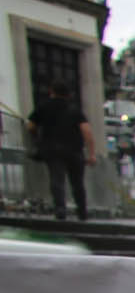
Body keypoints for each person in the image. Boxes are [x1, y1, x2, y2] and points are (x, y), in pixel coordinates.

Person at [27, 81, 94, 221]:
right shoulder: (74, 109)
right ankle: (82, 211)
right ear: (68, 95)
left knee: (57, 180)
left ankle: (60, 209)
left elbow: (30, 126)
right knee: (77, 183)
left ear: (52, 91)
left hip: (52, 149)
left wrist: (37, 137)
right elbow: (87, 131)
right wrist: (92, 154)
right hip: (75, 151)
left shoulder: (43, 106)